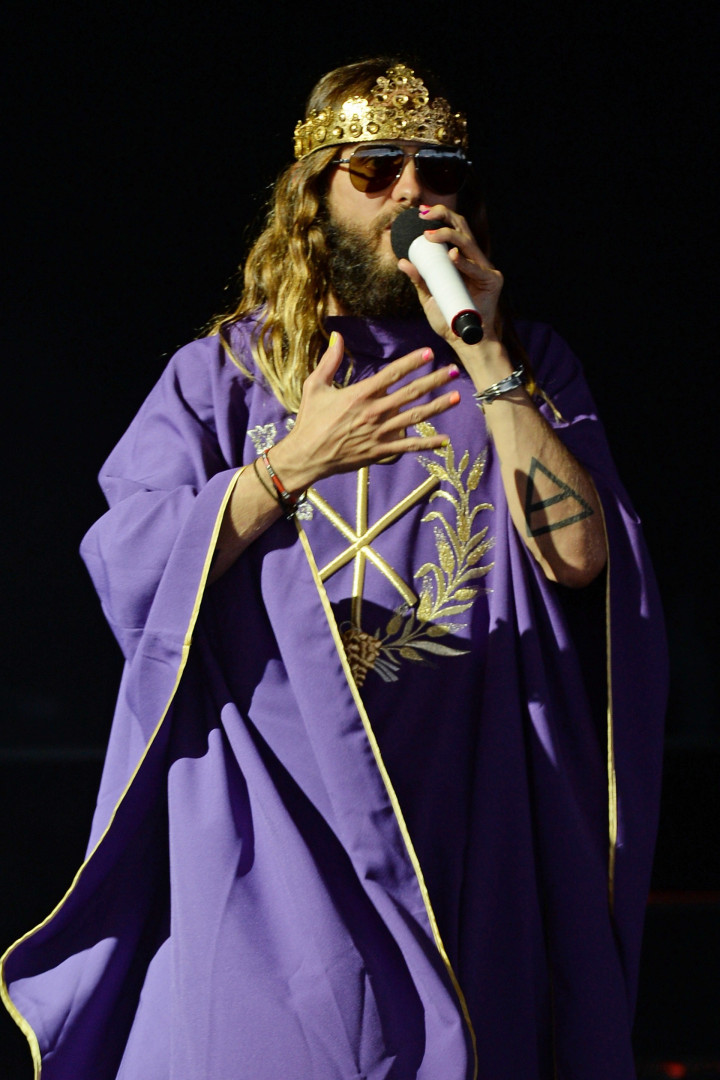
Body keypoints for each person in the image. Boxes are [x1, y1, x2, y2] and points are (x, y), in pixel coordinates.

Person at [2, 59, 666, 1079]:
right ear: (312, 198)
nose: (413, 194)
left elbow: (580, 558)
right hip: (276, 821)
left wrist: (489, 360)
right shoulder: (225, 373)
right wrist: (288, 465)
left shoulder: (526, 366)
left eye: (437, 173)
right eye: (377, 170)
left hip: (466, 807)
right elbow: (125, 564)